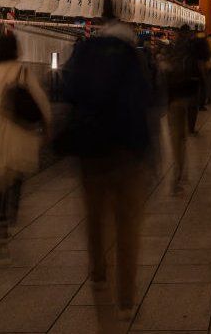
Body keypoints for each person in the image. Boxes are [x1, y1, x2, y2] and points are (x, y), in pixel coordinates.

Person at [56, 28, 153, 321]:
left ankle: (99, 273)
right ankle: (126, 297)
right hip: (127, 153)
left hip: (91, 151)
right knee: (128, 225)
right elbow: (145, 101)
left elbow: (66, 91)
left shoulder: (84, 52)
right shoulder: (133, 57)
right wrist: (150, 154)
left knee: (95, 216)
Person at [0, 33, 50, 264]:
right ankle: (6, 217)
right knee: (14, 182)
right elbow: (41, 105)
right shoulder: (23, 74)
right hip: (18, 141)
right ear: (17, 51)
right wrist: (47, 129)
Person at [161, 25, 207, 192]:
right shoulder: (193, 48)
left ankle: (177, 175)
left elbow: (163, 73)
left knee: (176, 138)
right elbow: (201, 68)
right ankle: (181, 171)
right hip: (189, 95)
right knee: (182, 138)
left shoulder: (170, 49)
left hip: (173, 99)